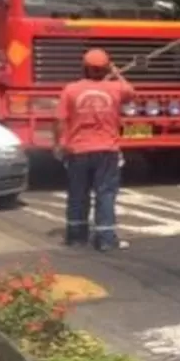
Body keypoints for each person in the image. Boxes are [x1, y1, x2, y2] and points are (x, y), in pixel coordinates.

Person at [55, 48, 135, 252]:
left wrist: (60, 144)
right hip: (107, 150)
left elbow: (60, 120)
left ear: (85, 68)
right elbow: (131, 92)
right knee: (105, 194)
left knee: (77, 193)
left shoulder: (71, 90)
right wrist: (116, 73)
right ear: (106, 67)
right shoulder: (116, 88)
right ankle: (106, 239)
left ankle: (75, 237)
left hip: (77, 150)